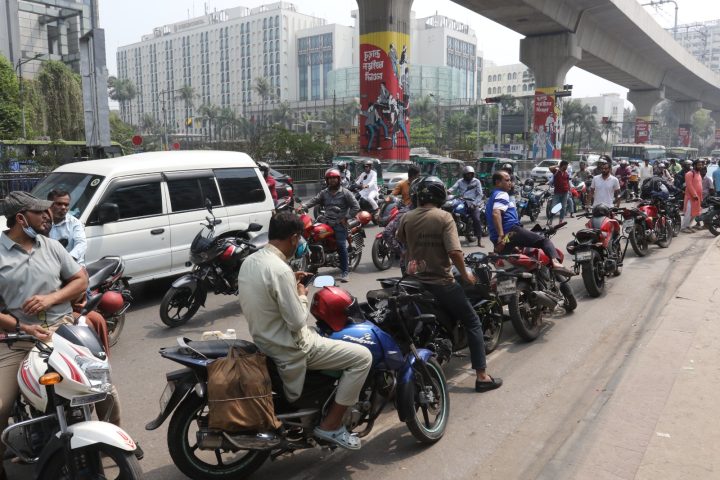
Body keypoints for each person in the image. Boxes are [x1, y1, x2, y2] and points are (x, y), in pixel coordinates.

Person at [0, 192, 122, 478]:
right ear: (21, 219)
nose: (48, 216)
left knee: (103, 387)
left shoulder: (52, 246)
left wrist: (51, 298)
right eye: (40, 212)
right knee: (1, 406)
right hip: (19, 339)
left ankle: (113, 440)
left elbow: (80, 279)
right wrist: (22, 327)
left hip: (63, 331)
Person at [236, 212, 372, 450]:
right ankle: (331, 425)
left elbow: (267, 293)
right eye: (299, 239)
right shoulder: (279, 269)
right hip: (292, 346)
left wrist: (291, 280)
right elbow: (297, 321)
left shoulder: (251, 261)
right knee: (363, 357)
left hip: (265, 340)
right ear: (293, 237)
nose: (299, 244)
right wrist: (301, 294)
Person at [396, 176, 502, 393]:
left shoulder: (407, 217)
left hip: (413, 281)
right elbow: (454, 251)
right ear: (440, 195)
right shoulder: (444, 217)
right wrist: (466, 275)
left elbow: (402, 240)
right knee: (473, 321)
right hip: (441, 282)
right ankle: (482, 376)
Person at [485, 171, 574, 277]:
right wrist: (501, 236)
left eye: (510, 180)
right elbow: (496, 214)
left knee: (507, 266)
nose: (510, 183)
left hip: (500, 238)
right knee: (544, 241)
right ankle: (556, 263)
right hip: (510, 233)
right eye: (507, 180)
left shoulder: (492, 197)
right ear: (498, 182)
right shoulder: (502, 194)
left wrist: (501, 239)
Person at [303, 169, 360, 280]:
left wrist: (346, 217)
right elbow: (314, 200)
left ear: (338, 179)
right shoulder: (324, 192)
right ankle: (314, 265)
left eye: (334, 178)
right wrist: (304, 206)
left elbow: (356, 207)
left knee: (341, 245)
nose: (332, 180)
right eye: (330, 178)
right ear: (327, 180)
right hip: (326, 221)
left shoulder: (345, 193)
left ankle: (345, 271)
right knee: (313, 238)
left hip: (339, 223)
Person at [47, 189, 87, 265]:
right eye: (59, 204)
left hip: (72, 265)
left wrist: (67, 261)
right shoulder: (41, 221)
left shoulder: (75, 223)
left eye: (66, 205)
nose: (63, 207)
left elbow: (81, 244)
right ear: (49, 204)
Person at [448, 166, 485, 247]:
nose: (469, 176)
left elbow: (480, 195)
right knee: (451, 210)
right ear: (464, 174)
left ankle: (479, 240)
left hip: (472, 203)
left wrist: (474, 204)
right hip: (462, 201)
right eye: (468, 174)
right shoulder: (460, 181)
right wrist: (448, 191)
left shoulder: (476, 181)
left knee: (476, 219)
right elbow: (453, 188)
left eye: (471, 174)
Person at [681, 159, 704, 233]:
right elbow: (689, 185)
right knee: (688, 213)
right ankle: (684, 227)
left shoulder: (698, 173)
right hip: (690, 197)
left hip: (697, 197)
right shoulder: (689, 174)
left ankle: (688, 226)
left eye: (701, 165)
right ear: (694, 165)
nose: (700, 166)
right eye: (699, 165)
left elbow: (700, 186)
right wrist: (694, 195)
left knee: (695, 213)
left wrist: (701, 197)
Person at [548, 160, 570, 225]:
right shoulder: (556, 171)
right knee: (554, 207)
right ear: (563, 165)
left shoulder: (566, 173)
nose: (567, 167)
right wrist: (558, 166)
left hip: (565, 192)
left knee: (563, 207)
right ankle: (550, 220)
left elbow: (567, 182)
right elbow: (550, 168)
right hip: (557, 192)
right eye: (566, 165)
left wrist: (569, 189)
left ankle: (561, 221)